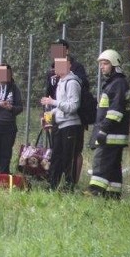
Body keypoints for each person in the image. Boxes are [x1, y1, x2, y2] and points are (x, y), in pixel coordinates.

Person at [44, 38, 89, 182]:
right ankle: (54, 182)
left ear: (67, 51)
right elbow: (48, 96)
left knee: (74, 152)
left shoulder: (76, 69)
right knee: (57, 152)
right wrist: (46, 117)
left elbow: (80, 92)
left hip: (74, 119)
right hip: (57, 117)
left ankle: (71, 183)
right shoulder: (51, 71)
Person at [87, 49, 130, 199]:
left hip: (111, 134)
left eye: (105, 64)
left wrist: (103, 130)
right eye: (100, 64)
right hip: (114, 134)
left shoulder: (117, 84)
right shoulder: (114, 83)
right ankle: (113, 196)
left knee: (101, 162)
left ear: (114, 65)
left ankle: (94, 191)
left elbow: (115, 111)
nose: (102, 67)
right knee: (113, 168)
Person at [40, 57, 82, 190]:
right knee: (56, 156)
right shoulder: (61, 82)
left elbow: (73, 106)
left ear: (69, 65)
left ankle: (69, 187)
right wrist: (49, 115)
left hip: (70, 126)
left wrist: (53, 102)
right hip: (60, 124)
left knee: (67, 158)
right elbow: (61, 105)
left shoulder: (72, 83)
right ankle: (52, 185)